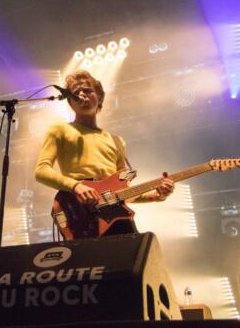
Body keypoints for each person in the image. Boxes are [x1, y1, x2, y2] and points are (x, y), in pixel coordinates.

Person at [35, 70, 174, 238]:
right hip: (77, 210)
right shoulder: (60, 129)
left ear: (99, 97)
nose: (82, 95)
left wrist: (157, 195)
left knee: (131, 257)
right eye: (76, 92)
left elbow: (124, 192)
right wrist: (76, 186)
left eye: (87, 90)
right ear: (70, 102)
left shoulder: (117, 141)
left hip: (114, 213)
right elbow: (41, 171)